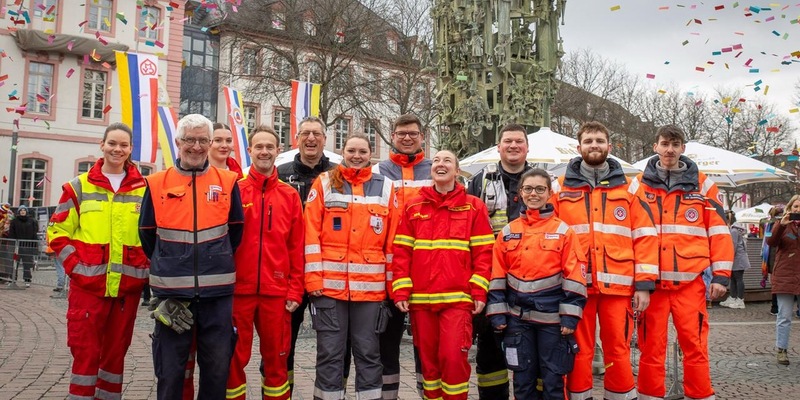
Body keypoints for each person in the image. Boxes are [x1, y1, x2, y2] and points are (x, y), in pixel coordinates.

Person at [549, 121, 658, 399]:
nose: (594, 145)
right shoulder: (559, 188)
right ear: (579, 147)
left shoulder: (631, 190)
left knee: (618, 350)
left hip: (618, 289)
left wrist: (644, 284)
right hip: (576, 287)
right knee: (578, 349)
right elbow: (549, 236)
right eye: (588, 141)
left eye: (599, 140)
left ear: (610, 146)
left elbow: (645, 236)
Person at [139, 113, 244, 400]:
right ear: (178, 142)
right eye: (189, 140)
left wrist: (214, 259)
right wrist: (169, 272)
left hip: (217, 295)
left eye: (202, 140)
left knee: (216, 372)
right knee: (170, 374)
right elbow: (147, 234)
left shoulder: (228, 180)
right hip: (173, 297)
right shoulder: (157, 183)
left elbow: (235, 230)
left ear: (210, 143)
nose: (196, 147)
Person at [631, 124, 733, 400]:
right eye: (665, 144)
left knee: (695, 346)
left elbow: (719, 231)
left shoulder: (704, 185)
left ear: (683, 149)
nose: (669, 150)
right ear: (655, 146)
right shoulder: (638, 185)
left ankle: (699, 395)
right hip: (652, 284)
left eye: (675, 145)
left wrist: (722, 275)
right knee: (650, 347)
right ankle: (650, 396)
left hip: (690, 282)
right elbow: (630, 231)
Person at [47, 122, 149, 398]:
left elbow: (152, 236)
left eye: (123, 145)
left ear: (130, 149)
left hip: (127, 290)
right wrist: (76, 269)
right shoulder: (77, 187)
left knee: (116, 356)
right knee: (85, 353)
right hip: (87, 288)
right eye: (112, 143)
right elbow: (57, 233)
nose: (118, 149)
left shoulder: (144, 189)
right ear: (102, 145)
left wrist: (144, 269)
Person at [392, 150, 494, 400]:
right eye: (436, 160)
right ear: (431, 170)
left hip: (457, 301)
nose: (441, 164)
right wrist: (401, 289)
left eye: (447, 160)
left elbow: (484, 254)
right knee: (429, 365)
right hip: (422, 302)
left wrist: (479, 290)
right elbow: (401, 251)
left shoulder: (474, 206)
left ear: (457, 171)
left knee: (453, 360)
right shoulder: (413, 206)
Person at [304, 134, 396, 400]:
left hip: (370, 291)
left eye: (363, 151)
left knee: (369, 353)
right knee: (330, 353)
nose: (357, 156)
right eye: (351, 150)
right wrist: (313, 281)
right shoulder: (324, 183)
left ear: (370, 154)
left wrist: (391, 286)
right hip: (329, 290)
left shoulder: (386, 187)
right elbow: (310, 235)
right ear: (342, 151)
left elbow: (392, 242)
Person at [488, 168, 587, 399]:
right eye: (529, 188)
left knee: (553, 381)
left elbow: (575, 277)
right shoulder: (508, 232)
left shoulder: (563, 232)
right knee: (522, 382)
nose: (534, 194)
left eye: (540, 189)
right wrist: (498, 315)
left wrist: (570, 317)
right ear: (521, 192)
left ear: (549, 193)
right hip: (517, 322)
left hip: (553, 323)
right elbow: (496, 276)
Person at [226, 125, 304, 400]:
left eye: (270, 146)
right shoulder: (234, 191)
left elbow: (297, 247)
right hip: (238, 292)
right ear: (249, 151)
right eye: (259, 146)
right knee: (233, 362)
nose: (264, 151)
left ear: (277, 151)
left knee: (277, 365)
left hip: (277, 293)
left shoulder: (290, 196)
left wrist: (295, 290)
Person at [466, 123, 533, 399]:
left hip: (532, 279)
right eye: (508, 141)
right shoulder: (480, 180)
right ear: (499, 146)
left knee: (531, 349)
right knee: (490, 351)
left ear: (527, 147)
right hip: (490, 276)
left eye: (519, 141)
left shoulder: (541, 180)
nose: (513, 145)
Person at [276, 116, 337, 393]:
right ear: (296, 139)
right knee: (282, 342)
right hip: (288, 272)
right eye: (305, 134)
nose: (311, 139)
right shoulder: (280, 173)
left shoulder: (339, 175)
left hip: (328, 273)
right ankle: (281, 392)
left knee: (334, 345)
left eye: (316, 134)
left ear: (325, 139)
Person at [373, 113, 432, 399]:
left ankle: (426, 392)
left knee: (426, 343)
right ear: (392, 137)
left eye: (412, 133)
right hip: (389, 270)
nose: (407, 138)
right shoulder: (378, 172)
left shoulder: (436, 170)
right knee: (387, 341)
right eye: (401, 133)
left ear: (423, 137)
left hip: (427, 270)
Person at [766, 194, 800, 365]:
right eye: (795, 207)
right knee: (784, 316)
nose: (798, 210)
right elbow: (771, 242)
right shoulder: (782, 225)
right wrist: (781, 225)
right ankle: (782, 350)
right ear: (790, 208)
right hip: (785, 276)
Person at [719, 212, 751, 310]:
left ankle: (740, 299)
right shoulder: (735, 229)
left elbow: (733, 246)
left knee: (738, 279)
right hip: (737, 258)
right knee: (733, 278)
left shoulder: (733, 231)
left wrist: (728, 257)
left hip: (738, 259)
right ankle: (733, 297)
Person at [9, 204, 38, 287]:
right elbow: (12, 233)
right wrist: (13, 244)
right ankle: (13, 279)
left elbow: (34, 234)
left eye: (24, 210)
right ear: (19, 212)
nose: (22, 211)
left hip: (27, 246)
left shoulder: (31, 221)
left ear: (26, 212)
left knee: (27, 264)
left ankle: (27, 280)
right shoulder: (14, 221)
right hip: (17, 247)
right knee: (15, 264)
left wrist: (34, 246)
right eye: (21, 210)